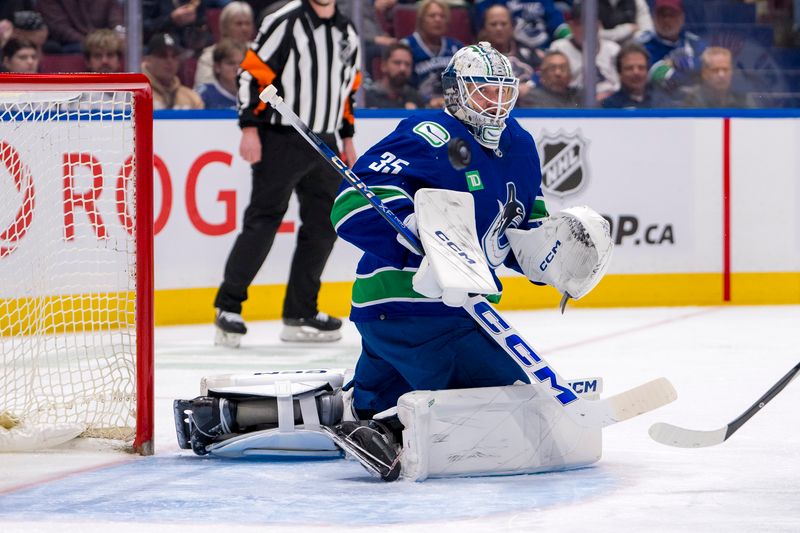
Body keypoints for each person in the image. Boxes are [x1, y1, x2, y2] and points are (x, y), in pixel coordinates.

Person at [213, 0, 361, 345]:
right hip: (281, 137)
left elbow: (347, 89)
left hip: (324, 143)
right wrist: (249, 127)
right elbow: (252, 71)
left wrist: (348, 138)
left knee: (324, 225)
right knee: (263, 220)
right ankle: (228, 307)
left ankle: (300, 312)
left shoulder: (347, 32)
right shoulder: (284, 20)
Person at [549, 0, 620, 102]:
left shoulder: (613, 49)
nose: (585, 28)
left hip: (613, 106)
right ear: (571, 26)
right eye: (579, 24)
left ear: (598, 25)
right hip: (574, 105)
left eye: (590, 23)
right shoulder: (560, 48)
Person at [401, 0, 462, 108]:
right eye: (432, 16)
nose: (437, 19)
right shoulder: (407, 46)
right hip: (417, 105)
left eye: (442, 16)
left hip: (451, 106)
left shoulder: (456, 47)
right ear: (421, 20)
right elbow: (401, 83)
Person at [635, 0, 706, 92]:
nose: (666, 20)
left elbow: (709, 70)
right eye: (662, 15)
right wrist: (691, 70)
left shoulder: (694, 42)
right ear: (653, 18)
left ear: (682, 18)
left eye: (672, 15)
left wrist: (674, 63)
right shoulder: (641, 46)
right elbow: (662, 79)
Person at [480, 4, 539, 99]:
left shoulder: (527, 51)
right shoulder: (475, 55)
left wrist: (530, 84)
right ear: (484, 28)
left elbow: (542, 72)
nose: (499, 28)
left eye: (503, 24)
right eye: (493, 24)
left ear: (512, 26)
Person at [193, 1, 254, 88]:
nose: (244, 28)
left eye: (247, 23)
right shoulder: (209, 57)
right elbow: (205, 90)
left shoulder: (260, 53)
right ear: (225, 26)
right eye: (239, 24)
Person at [474, 0, 571, 53]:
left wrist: (571, 38)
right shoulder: (499, 2)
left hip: (543, 50)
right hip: (514, 48)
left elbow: (558, 24)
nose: (498, 27)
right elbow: (483, 18)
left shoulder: (544, 2)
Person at [142, 33, 205, 110]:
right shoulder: (134, 96)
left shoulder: (192, 98)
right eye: (162, 55)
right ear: (148, 60)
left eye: (174, 56)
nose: (169, 61)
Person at [38, 0, 123, 53]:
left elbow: (115, 18)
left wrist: (117, 35)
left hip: (105, 42)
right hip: (70, 44)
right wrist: (91, 43)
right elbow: (60, 28)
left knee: (122, 46)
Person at [679, 46, 748, 108]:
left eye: (725, 69)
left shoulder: (743, 98)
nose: (721, 75)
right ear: (704, 73)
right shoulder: (692, 100)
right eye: (715, 70)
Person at [364, 42, 426, 109]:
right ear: (383, 66)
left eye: (407, 64)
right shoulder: (367, 98)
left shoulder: (415, 98)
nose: (403, 68)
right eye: (397, 63)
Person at [196, 38, 246, 109]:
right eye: (231, 63)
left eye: (242, 64)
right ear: (217, 67)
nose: (238, 69)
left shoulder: (256, 95)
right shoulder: (203, 95)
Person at [602, 41, 655, 108]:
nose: (636, 72)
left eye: (641, 67)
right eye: (629, 68)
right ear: (619, 73)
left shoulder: (662, 101)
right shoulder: (609, 106)